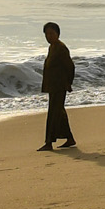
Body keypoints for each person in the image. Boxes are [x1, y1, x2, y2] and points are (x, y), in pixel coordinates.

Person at [36, 21, 77, 151]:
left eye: (52, 33)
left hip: (59, 86)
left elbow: (70, 66)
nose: (49, 36)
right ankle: (69, 138)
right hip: (53, 86)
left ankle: (49, 142)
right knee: (59, 112)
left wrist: (68, 83)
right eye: (47, 34)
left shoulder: (61, 47)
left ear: (58, 34)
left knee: (53, 113)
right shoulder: (52, 47)